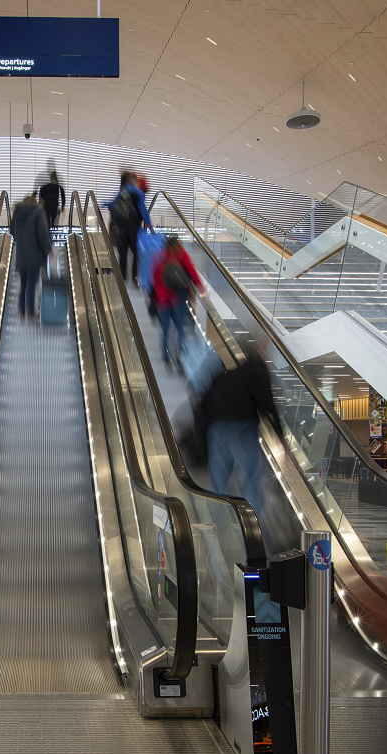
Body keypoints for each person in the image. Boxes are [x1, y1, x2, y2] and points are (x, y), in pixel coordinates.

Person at [201, 339, 282, 541]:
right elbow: (268, 406)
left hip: (216, 430)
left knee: (217, 487)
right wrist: (282, 441)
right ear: (261, 351)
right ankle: (254, 540)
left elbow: (203, 403)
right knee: (252, 485)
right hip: (242, 431)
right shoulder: (258, 370)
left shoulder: (225, 377)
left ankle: (211, 537)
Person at [151, 236, 204, 366]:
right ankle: (179, 354)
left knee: (165, 328)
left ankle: (165, 355)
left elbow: (155, 280)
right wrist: (200, 288)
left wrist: (159, 297)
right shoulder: (181, 255)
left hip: (163, 300)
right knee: (180, 327)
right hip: (179, 298)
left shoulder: (160, 258)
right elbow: (191, 272)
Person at [9, 194, 53, 319]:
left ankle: (21, 310)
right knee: (32, 283)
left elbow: (12, 231)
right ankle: (30, 310)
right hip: (34, 255)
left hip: (21, 256)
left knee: (23, 283)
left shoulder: (17, 214)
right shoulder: (38, 213)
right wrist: (49, 250)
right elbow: (43, 233)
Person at [108, 172, 154, 284]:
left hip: (121, 227)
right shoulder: (138, 193)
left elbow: (111, 205)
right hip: (135, 227)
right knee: (135, 253)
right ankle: (134, 278)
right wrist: (149, 226)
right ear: (135, 181)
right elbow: (143, 210)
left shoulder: (122, 191)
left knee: (122, 252)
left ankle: (122, 278)